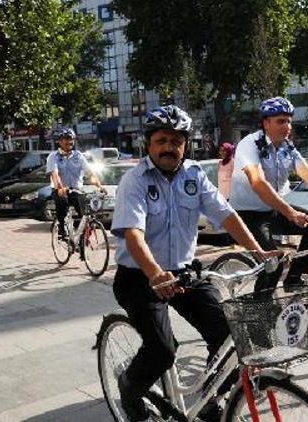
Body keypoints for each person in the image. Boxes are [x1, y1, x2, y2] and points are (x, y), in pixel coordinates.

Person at [111, 105, 275, 422]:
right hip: (139, 278)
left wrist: (258, 251)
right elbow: (133, 233)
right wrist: (155, 274)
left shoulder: (194, 175)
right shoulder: (135, 181)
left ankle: (212, 399)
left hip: (184, 274)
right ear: (149, 144)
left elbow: (225, 215)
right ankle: (129, 388)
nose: (168, 147)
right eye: (161, 140)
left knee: (230, 337)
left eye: (176, 141)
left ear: (186, 145)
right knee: (162, 351)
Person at [230, 96, 308, 292]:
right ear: (266, 123)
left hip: (273, 208)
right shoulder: (250, 144)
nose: (287, 126)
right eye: (281, 121)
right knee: (273, 260)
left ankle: (294, 281)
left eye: (289, 121)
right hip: (248, 213)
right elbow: (257, 182)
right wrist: (291, 213)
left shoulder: (287, 148)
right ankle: (260, 310)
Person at [46, 127, 104, 239]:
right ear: (59, 141)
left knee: (85, 213)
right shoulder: (53, 157)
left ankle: (82, 239)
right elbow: (55, 174)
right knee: (62, 203)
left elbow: (90, 173)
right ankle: (62, 230)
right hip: (60, 190)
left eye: (71, 138)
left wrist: (99, 185)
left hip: (76, 190)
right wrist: (60, 188)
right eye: (66, 138)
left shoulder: (78, 156)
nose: (70, 141)